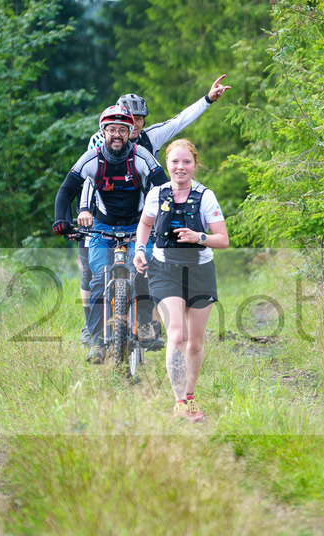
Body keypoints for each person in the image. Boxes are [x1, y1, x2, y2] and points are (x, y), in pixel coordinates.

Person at [75, 76, 232, 348]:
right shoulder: (100, 140)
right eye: (129, 117)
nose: (133, 124)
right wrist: (83, 210)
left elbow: (180, 121)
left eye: (139, 119)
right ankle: (92, 329)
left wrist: (207, 100)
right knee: (91, 272)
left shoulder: (151, 138)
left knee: (150, 264)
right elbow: (88, 179)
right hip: (100, 208)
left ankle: (147, 323)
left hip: (143, 210)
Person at [53, 104, 166, 364]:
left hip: (137, 225)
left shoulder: (142, 156)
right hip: (102, 228)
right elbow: (65, 190)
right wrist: (62, 219)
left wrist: (164, 220)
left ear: (130, 132)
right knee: (98, 277)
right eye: (111, 129)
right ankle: (95, 341)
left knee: (142, 270)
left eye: (122, 130)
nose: (117, 135)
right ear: (103, 132)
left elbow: (164, 189)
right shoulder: (91, 159)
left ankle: (146, 324)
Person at [134, 139, 229, 422]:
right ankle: (179, 403)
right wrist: (140, 249)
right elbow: (145, 224)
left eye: (186, 162)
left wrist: (198, 237)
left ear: (195, 165)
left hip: (200, 271)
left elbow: (222, 240)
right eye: (175, 162)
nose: (180, 167)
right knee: (177, 334)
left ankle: (190, 396)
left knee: (195, 343)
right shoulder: (156, 194)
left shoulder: (206, 197)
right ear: (167, 164)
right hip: (164, 270)